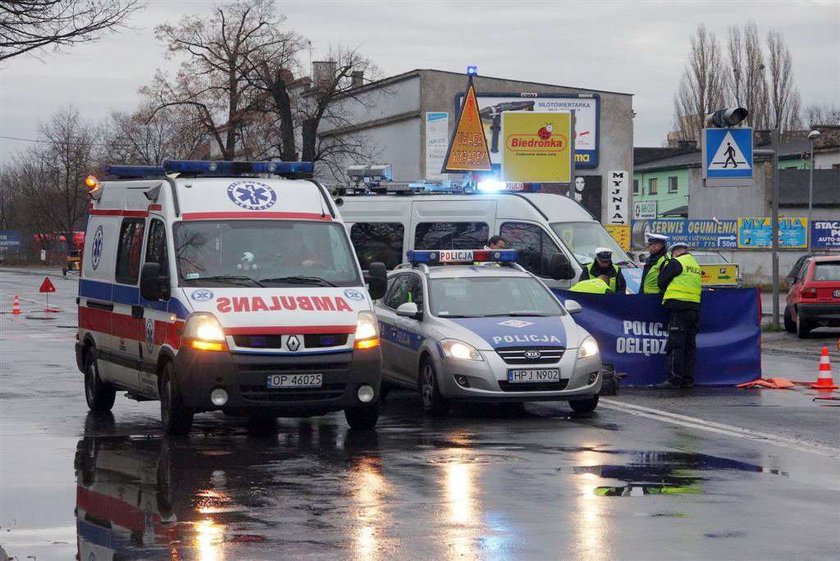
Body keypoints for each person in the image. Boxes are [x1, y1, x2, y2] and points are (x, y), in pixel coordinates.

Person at [657, 241, 702, 388]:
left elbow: (661, 281)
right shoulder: (695, 265)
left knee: (676, 345)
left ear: (675, 252)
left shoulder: (676, 262)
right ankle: (687, 380)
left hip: (679, 307)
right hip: (694, 308)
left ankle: (674, 379)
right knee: (689, 346)